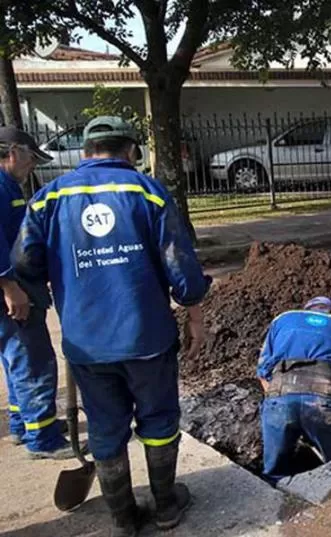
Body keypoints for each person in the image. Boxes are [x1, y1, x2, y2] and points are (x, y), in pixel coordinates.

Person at [13, 116, 211, 537]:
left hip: (87, 343)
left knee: (105, 425)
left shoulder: (48, 199)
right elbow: (183, 269)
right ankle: (165, 506)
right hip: (147, 339)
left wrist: (58, 287)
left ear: (86, 152)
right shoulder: (149, 193)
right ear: (131, 151)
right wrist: (195, 316)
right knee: (158, 421)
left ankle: (123, 518)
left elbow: (25, 261)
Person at [0, 126, 74, 459]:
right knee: (33, 360)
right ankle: (43, 439)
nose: (33, 165)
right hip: (10, 291)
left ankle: (23, 424)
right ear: (13, 152)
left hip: (15, 286)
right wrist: (10, 286)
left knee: (16, 359)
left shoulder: (8, 186)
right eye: (31, 157)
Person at [257, 296, 331, 483]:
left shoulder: (283, 318)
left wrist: (281, 404)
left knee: (274, 473)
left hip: (279, 396)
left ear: (306, 309)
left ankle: (278, 496)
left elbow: (262, 372)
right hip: (322, 398)